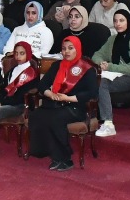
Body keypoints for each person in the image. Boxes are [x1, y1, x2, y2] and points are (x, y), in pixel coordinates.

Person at [29, 36, 95, 171]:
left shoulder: (87, 69)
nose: (67, 52)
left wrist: (68, 98)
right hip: (55, 103)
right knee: (36, 115)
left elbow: (91, 93)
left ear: (77, 49)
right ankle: (48, 152)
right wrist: (50, 94)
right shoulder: (57, 65)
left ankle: (65, 158)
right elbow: (42, 85)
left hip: (75, 106)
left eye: (71, 48)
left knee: (54, 119)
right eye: (64, 49)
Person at [91, 5, 130, 137]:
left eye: (121, 20)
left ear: (128, 21)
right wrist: (101, 63)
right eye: (115, 21)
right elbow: (97, 55)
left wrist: (110, 67)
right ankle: (89, 117)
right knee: (92, 78)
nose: (117, 24)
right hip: (114, 75)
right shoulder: (113, 39)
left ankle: (108, 124)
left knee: (102, 83)